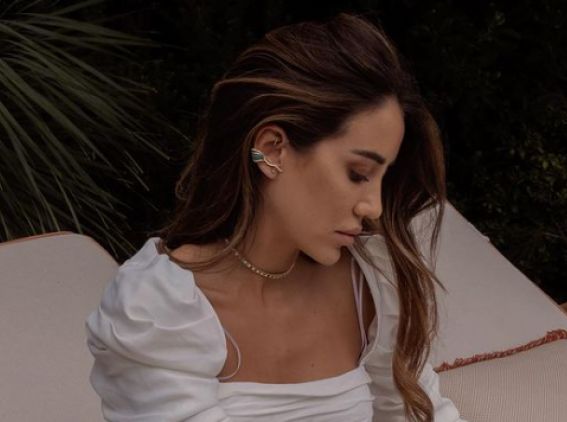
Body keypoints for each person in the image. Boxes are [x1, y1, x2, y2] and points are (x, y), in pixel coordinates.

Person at [85, 12, 466, 422]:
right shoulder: (159, 312)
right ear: (271, 150)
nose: (373, 207)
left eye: (382, 179)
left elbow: (417, 414)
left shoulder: (370, 283)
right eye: (358, 174)